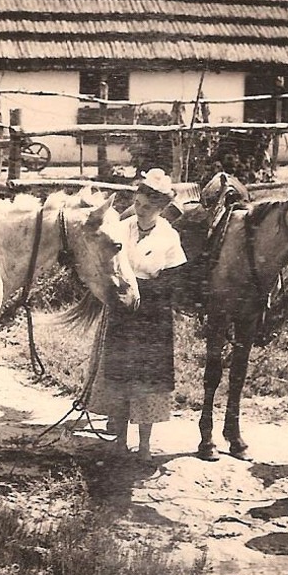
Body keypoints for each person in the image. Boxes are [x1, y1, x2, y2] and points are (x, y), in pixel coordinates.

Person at [92, 168, 187, 462]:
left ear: (161, 208)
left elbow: (173, 279)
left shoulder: (169, 237)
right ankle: (119, 441)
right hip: (122, 310)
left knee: (148, 381)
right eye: (138, 203)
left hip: (152, 317)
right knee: (120, 376)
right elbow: (108, 264)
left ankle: (145, 446)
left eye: (149, 206)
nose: (141, 210)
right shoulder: (122, 229)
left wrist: (146, 292)